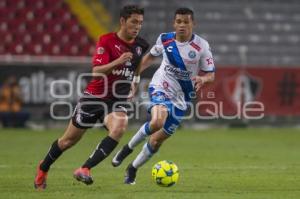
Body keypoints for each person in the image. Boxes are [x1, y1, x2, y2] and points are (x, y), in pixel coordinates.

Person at [34, 5, 149, 189]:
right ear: (122, 21)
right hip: (95, 97)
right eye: (134, 22)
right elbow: (96, 72)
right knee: (68, 141)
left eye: (140, 23)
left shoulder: (141, 45)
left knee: (119, 127)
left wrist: (134, 81)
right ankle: (43, 168)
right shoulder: (106, 41)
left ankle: (85, 168)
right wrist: (118, 61)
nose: (137, 26)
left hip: (117, 100)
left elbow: (137, 65)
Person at [111, 7, 216, 184]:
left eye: (186, 22)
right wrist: (133, 78)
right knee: (157, 121)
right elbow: (150, 57)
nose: (182, 25)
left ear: (193, 24)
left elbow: (211, 75)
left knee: (156, 141)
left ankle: (132, 168)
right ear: (174, 23)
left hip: (182, 97)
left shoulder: (201, 46)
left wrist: (203, 79)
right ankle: (127, 148)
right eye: (179, 22)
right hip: (161, 86)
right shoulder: (165, 39)